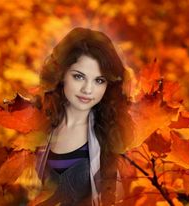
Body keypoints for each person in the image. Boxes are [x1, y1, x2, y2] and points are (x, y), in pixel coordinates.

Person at [33, 27, 133, 206]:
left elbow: (118, 200)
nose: (88, 89)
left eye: (99, 80)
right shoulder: (39, 124)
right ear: (61, 74)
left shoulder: (112, 135)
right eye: (79, 77)